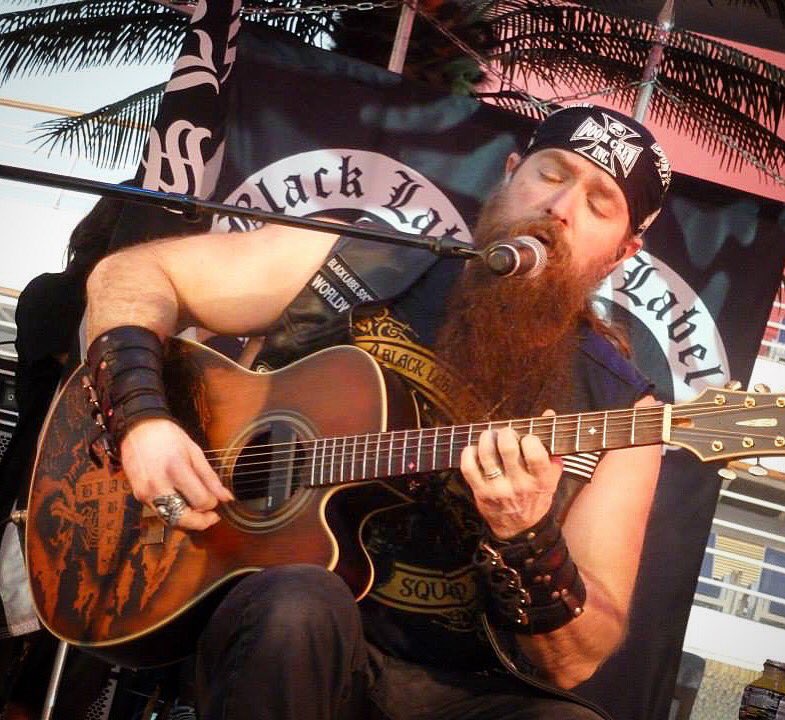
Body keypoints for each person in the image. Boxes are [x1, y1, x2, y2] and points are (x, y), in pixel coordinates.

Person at [83, 105, 671, 720]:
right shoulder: (358, 257)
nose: (562, 206)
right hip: (272, 619)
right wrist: (142, 421)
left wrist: (529, 536)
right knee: (302, 602)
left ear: (621, 253)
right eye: (552, 174)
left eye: (600, 204)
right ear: (511, 172)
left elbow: (578, 659)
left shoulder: (623, 409)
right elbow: (133, 273)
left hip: (455, 686)